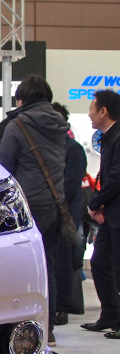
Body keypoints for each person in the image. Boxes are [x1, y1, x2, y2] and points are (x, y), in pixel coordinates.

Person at [0, 75, 69, 347]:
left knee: (17, 270)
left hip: (25, 207)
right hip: (54, 205)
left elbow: (4, 169)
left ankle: (19, 330)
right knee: (47, 267)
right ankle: (48, 329)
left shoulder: (16, 126)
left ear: (21, 100)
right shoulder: (59, 126)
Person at [81, 90, 120, 338]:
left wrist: (95, 203)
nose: (89, 114)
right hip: (111, 212)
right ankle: (110, 315)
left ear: (103, 111)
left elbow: (116, 177)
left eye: (92, 109)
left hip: (115, 212)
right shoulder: (108, 137)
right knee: (100, 262)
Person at [52, 102, 87, 323]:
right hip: (48, 212)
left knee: (64, 259)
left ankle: (62, 306)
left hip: (66, 215)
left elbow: (71, 184)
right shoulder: (45, 147)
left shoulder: (73, 149)